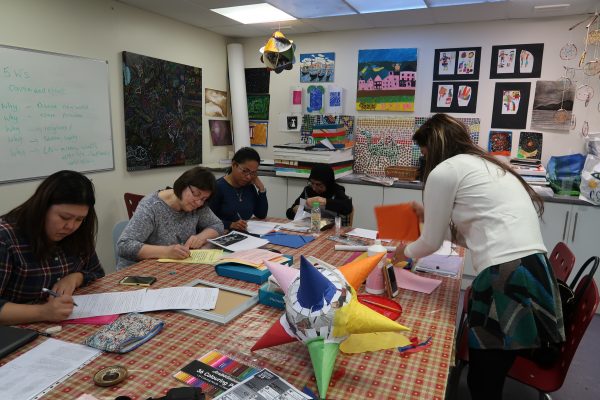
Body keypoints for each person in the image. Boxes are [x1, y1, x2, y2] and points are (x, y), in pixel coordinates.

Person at [391, 114, 564, 400]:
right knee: (492, 371)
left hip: (504, 276)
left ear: (434, 148)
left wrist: (403, 252)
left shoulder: (444, 171)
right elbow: (473, 234)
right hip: (532, 268)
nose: (424, 161)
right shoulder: (487, 165)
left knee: (484, 380)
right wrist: (429, 216)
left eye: (424, 154)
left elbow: (430, 242)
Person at [0, 170, 105, 324]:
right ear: (42, 207)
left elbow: (97, 273)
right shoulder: (6, 238)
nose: (70, 226)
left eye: (79, 219)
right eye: (64, 217)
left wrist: (76, 278)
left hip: (63, 326)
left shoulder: (79, 232)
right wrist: (43, 312)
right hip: (16, 333)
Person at [117, 167, 224, 269]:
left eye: (204, 199)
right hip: (138, 273)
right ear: (183, 185)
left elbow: (217, 225)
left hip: (173, 269)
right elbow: (124, 245)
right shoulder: (152, 206)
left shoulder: (198, 205)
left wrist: (200, 237)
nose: (198, 202)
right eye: (195, 194)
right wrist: (166, 252)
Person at [209, 147, 268, 231]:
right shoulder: (218, 187)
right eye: (245, 171)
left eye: (253, 173)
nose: (248, 177)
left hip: (245, 234)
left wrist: (261, 189)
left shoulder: (249, 186)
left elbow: (261, 214)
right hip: (224, 234)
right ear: (234, 165)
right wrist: (230, 224)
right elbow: (206, 221)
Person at [286, 164, 353, 224]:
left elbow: (348, 207)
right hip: (311, 228)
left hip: (331, 230)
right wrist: (294, 211)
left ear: (327, 183)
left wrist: (325, 201)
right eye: (312, 183)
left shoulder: (336, 190)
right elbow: (289, 214)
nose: (314, 188)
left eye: (318, 184)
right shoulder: (308, 190)